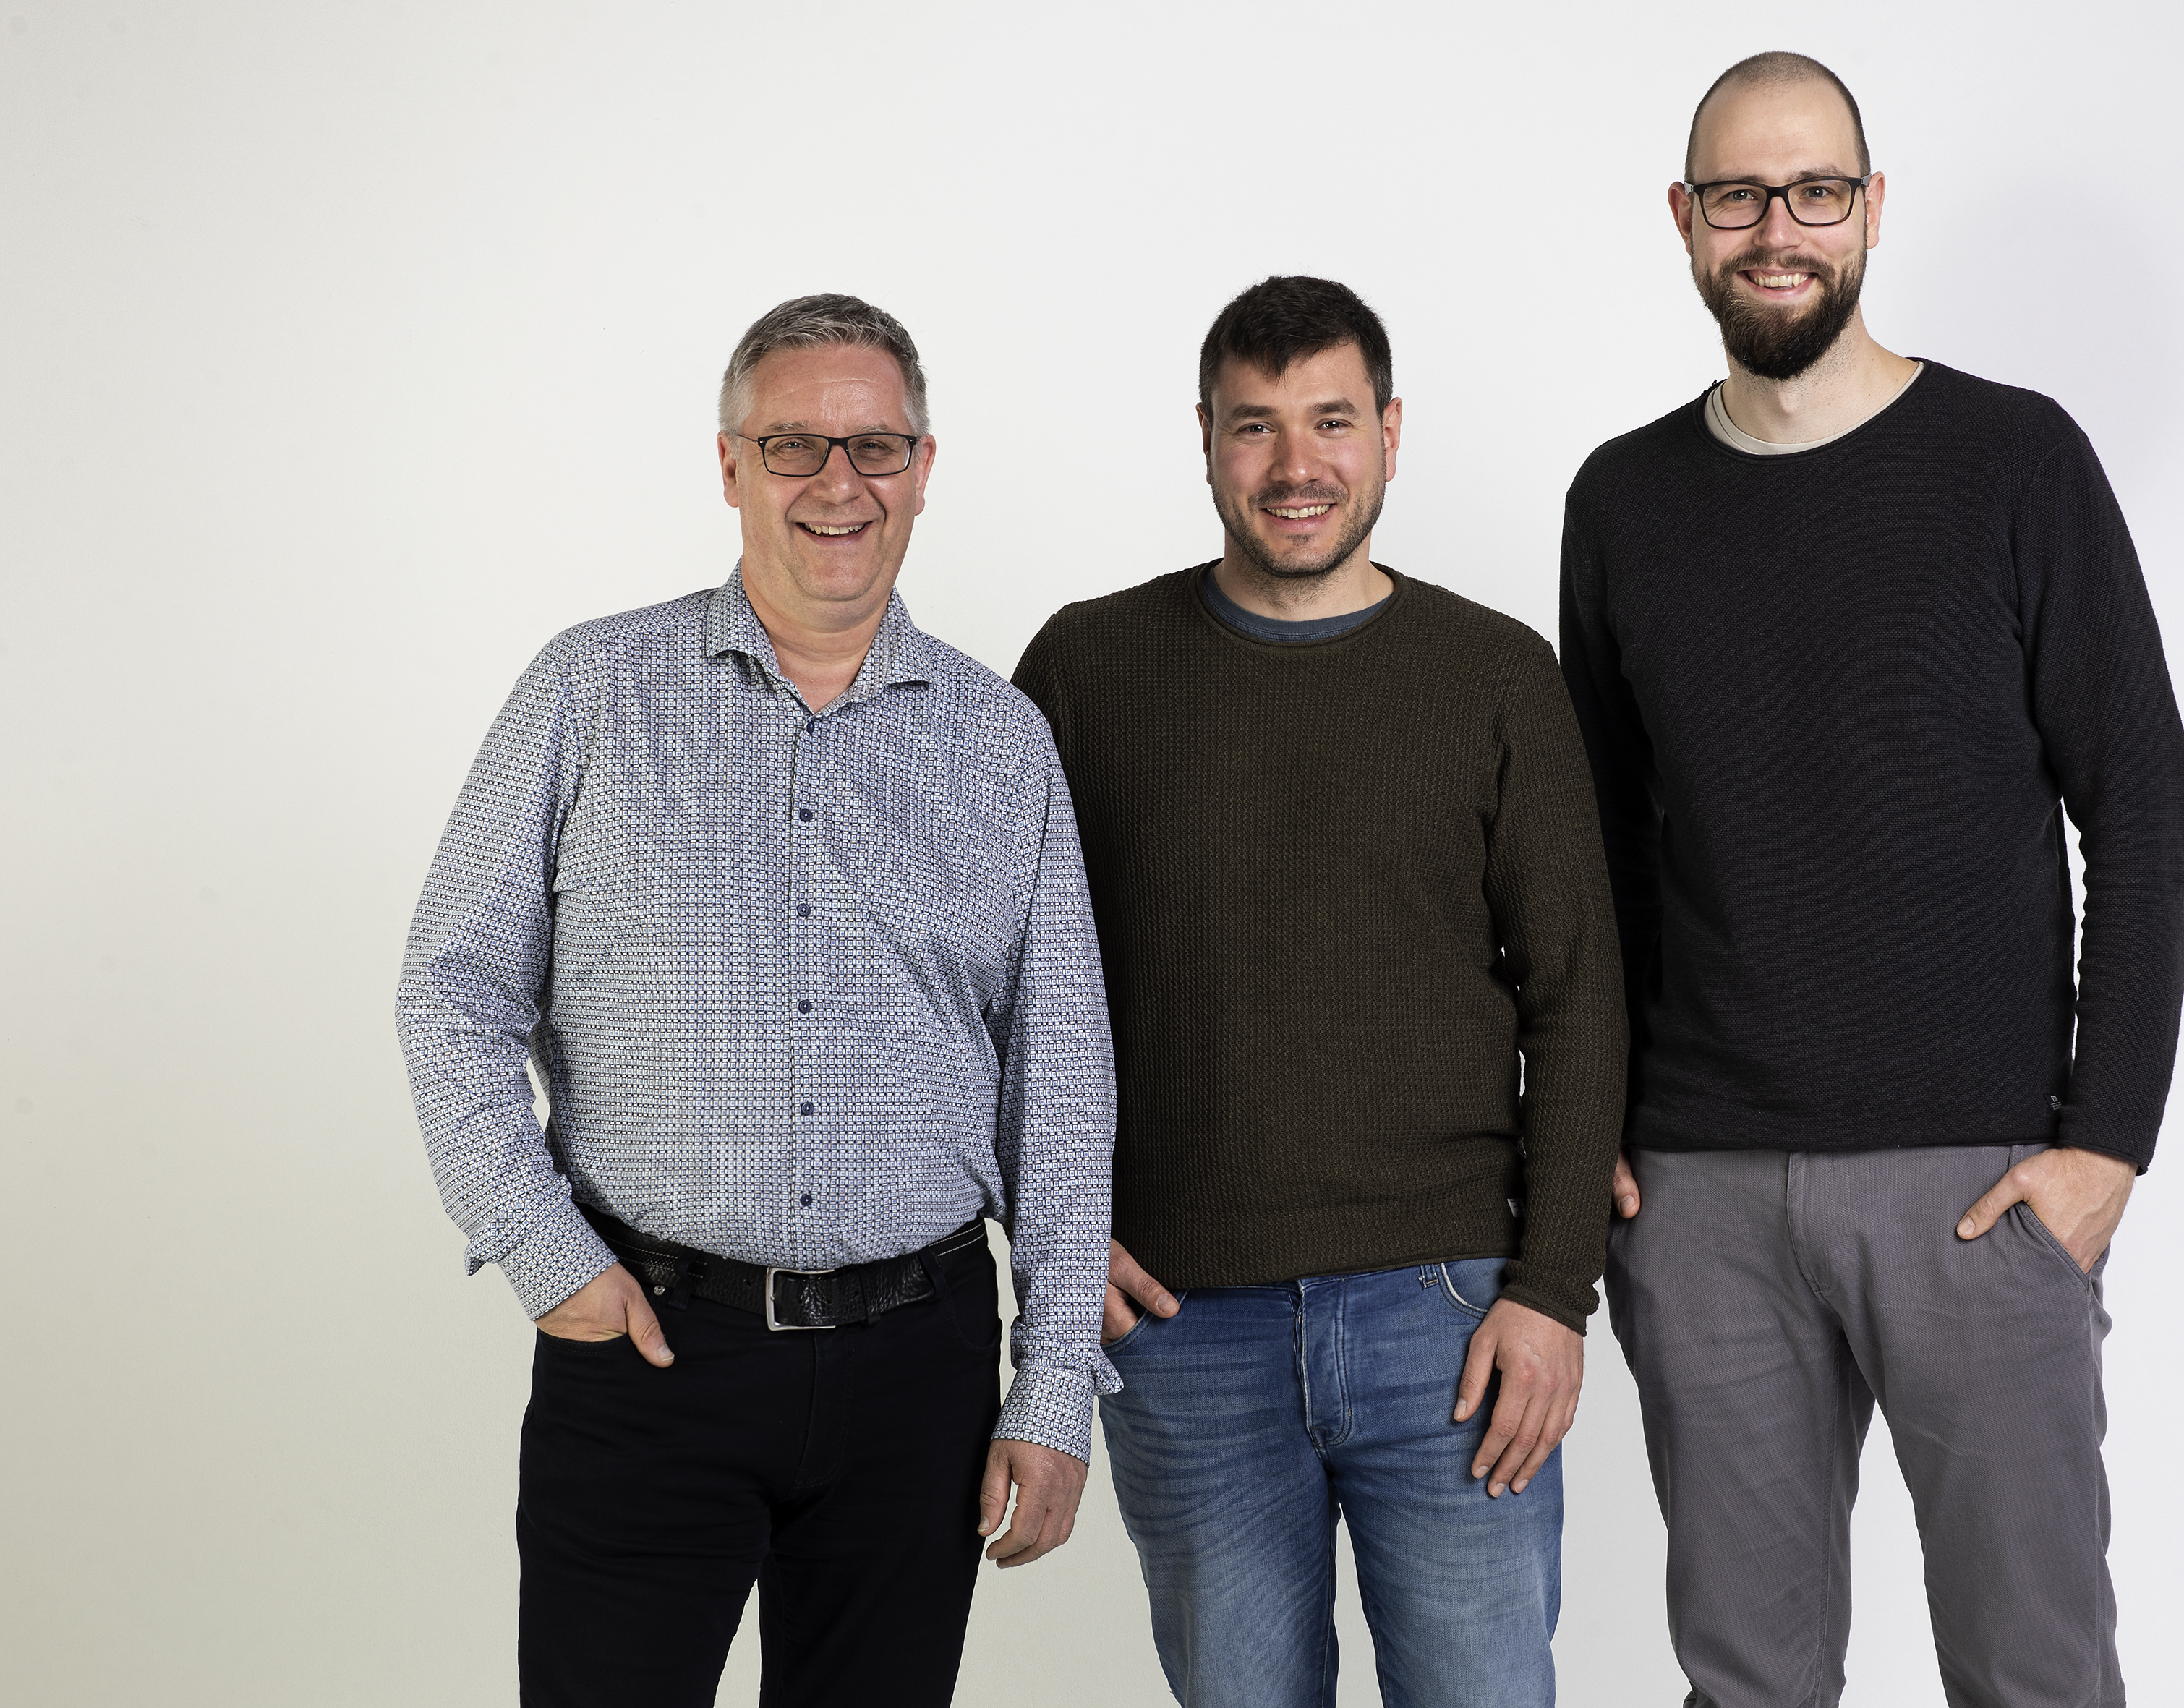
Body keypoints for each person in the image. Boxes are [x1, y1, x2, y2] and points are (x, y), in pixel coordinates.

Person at [1560, 54, 2184, 1708]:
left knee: (2031, 1671)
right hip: (1699, 1186)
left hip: (1974, 1180)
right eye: (1736, 195)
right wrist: (1600, 1127)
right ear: (1682, 218)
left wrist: (2103, 1142)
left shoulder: (2012, 459)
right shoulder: (1622, 499)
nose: (1775, 229)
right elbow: (1599, 847)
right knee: (1745, 1683)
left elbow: (2140, 805)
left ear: (1869, 208)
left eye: (1813, 191)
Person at [395, 293, 1117, 1708]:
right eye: (794, 444)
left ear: (922, 467)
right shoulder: (589, 691)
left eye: (875, 444)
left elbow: (1064, 1093)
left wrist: (1051, 1386)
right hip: (652, 1353)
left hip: (918, 1373)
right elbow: (451, 994)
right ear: (730, 464)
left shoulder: (1003, 743)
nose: (838, 482)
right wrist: (543, 1249)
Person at [1011, 276, 1626, 1708]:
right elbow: (983, 983)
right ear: (1205, 441)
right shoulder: (1087, 668)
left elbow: (1579, 998)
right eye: (1256, 426)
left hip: (1451, 1316)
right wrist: (1052, 1234)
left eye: (1332, 421)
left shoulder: (1494, 675)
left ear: (1391, 433)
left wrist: (1552, 1290)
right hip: (1182, 1324)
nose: (1296, 465)